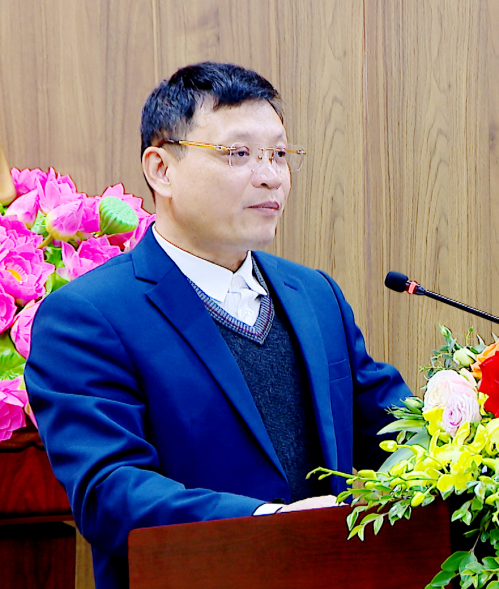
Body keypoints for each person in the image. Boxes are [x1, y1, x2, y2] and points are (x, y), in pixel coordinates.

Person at [25, 62, 410, 589]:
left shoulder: (315, 294)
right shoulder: (89, 316)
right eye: (238, 154)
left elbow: (392, 428)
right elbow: (108, 491)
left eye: (279, 154)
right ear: (160, 168)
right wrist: (269, 527)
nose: (270, 175)